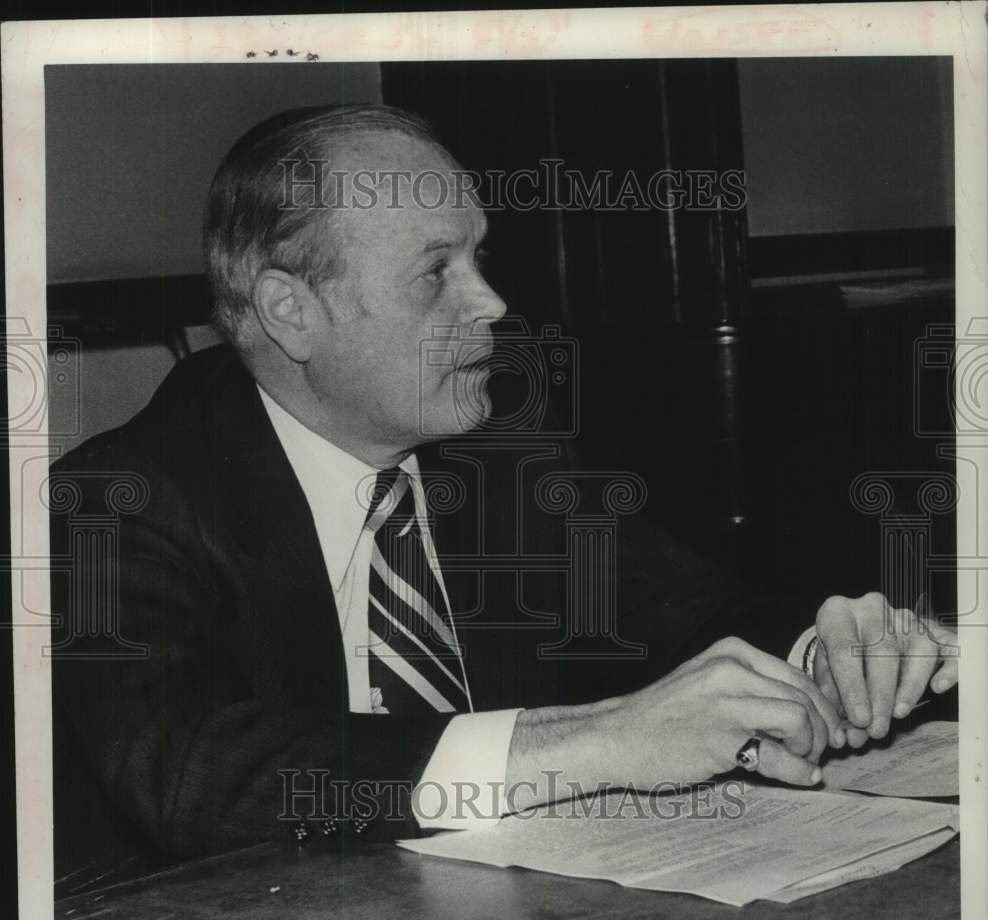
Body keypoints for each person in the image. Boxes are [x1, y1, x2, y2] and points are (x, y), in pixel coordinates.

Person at [49, 105, 959, 876]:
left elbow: (689, 612)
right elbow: (191, 772)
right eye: (436, 271)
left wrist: (823, 654)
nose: (488, 303)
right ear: (292, 312)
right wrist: (592, 742)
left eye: (479, 258)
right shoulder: (115, 502)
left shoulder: (498, 454)